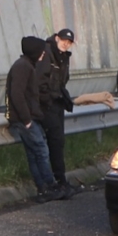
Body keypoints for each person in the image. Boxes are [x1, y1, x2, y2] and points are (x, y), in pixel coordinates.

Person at [6, 35, 63, 200]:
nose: (44, 54)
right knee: (41, 151)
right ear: (35, 52)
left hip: (28, 118)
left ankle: (43, 189)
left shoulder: (26, 65)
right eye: (41, 51)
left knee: (34, 153)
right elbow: (17, 94)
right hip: (25, 119)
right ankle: (49, 186)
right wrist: (27, 120)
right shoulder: (23, 67)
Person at [41, 27, 77, 191]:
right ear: (56, 38)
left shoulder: (64, 57)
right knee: (54, 141)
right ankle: (56, 180)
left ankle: (58, 179)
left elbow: (61, 82)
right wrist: (48, 98)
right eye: (64, 40)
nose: (66, 44)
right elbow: (41, 80)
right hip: (47, 104)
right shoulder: (47, 53)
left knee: (58, 142)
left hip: (57, 103)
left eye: (69, 42)